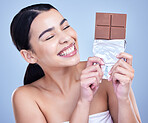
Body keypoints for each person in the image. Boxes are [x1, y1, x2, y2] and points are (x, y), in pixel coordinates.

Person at [10, 3, 141, 123]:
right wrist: (83, 102)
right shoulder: (26, 97)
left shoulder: (105, 73)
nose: (66, 38)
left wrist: (124, 99)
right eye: (50, 36)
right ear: (29, 56)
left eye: (65, 27)